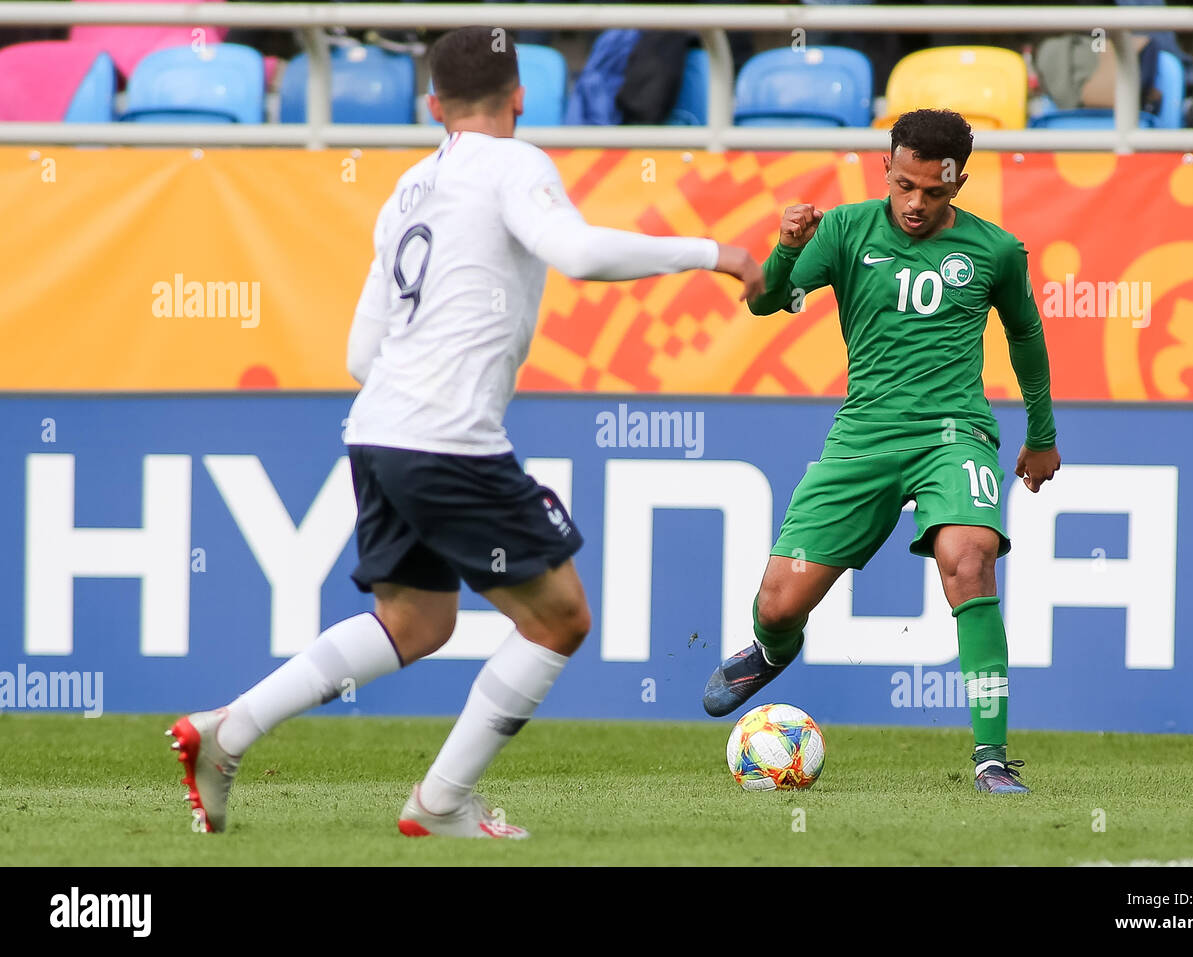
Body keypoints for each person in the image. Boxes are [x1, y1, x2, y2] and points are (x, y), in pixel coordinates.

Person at [169, 25, 764, 839]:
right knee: (559, 618)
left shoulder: (407, 190)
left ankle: (227, 731)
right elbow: (578, 253)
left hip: (376, 429)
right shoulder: (515, 163)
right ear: (521, 97)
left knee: (419, 622)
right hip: (447, 437)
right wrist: (718, 251)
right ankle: (440, 800)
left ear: (431, 106)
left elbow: (356, 354)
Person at [702, 108, 1061, 795]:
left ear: (958, 181)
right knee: (779, 604)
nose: (916, 203)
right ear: (885, 168)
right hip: (863, 434)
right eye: (904, 185)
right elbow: (767, 302)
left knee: (970, 559)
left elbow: (1026, 337)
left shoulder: (997, 250)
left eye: (932, 191)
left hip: (953, 434)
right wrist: (783, 245)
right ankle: (771, 650)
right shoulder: (841, 230)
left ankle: (991, 756)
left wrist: (1041, 435)